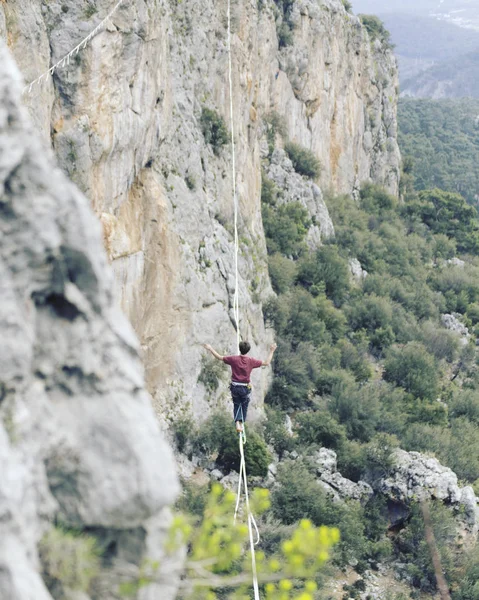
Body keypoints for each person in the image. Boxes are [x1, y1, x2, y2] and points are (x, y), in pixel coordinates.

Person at [203, 341, 277, 433]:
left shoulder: (233, 359)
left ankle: (237, 423)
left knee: (237, 404)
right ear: (248, 350)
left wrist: (210, 348)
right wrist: (272, 350)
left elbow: (219, 357)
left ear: (239, 349)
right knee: (244, 405)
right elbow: (266, 362)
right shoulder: (251, 361)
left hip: (235, 387)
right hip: (245, 388)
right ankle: (241, 422)